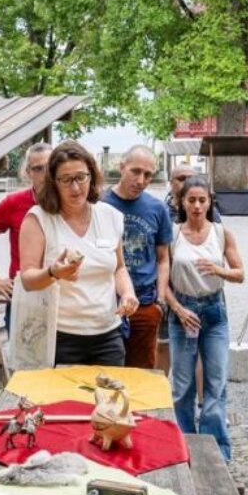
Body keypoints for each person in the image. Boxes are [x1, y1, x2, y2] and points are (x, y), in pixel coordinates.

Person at [17, 140, 139, 365]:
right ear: (53, 182)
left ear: (92, 175)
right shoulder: (39, 219)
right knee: (64, 401)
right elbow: (27, 280)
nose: (75, 188)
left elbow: (119, 267)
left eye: (81, 177)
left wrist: (128, 293)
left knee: (109, 398)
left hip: (108, 334)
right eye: (66, 180)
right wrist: (53, 272)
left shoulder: (110, 216)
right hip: (60, 336)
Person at [165, 176, 244, 461]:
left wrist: (218, 269)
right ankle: (184, 446)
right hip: (182, 312)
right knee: (182, 386)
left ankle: (216, 451)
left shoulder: (221, 233)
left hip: (213, 313)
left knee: (216, 381)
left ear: (210, 202)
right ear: (181, 203)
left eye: (202, 200)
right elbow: (162, 282)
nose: (197, 206)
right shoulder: (172, 234)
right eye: (191, 200)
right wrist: (177, 309)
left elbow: (240, 273)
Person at [102, 146, 173, 368]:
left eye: (148, 175)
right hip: (107, 303)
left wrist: (160, 301)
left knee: (141, 374)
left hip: (145, 304)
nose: (141, 180)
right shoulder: (100, 205)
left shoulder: (157, 208)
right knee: (107, 373)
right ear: (122, 167)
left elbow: (163, 258)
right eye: (135, 171)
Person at [0, 142, 52, 305]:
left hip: (62, 293)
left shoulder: (69, 202)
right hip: (23, 294)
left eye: (50, 166)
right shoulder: (14, 203)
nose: (45, 173)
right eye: (38, 168)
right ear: (28, 172)